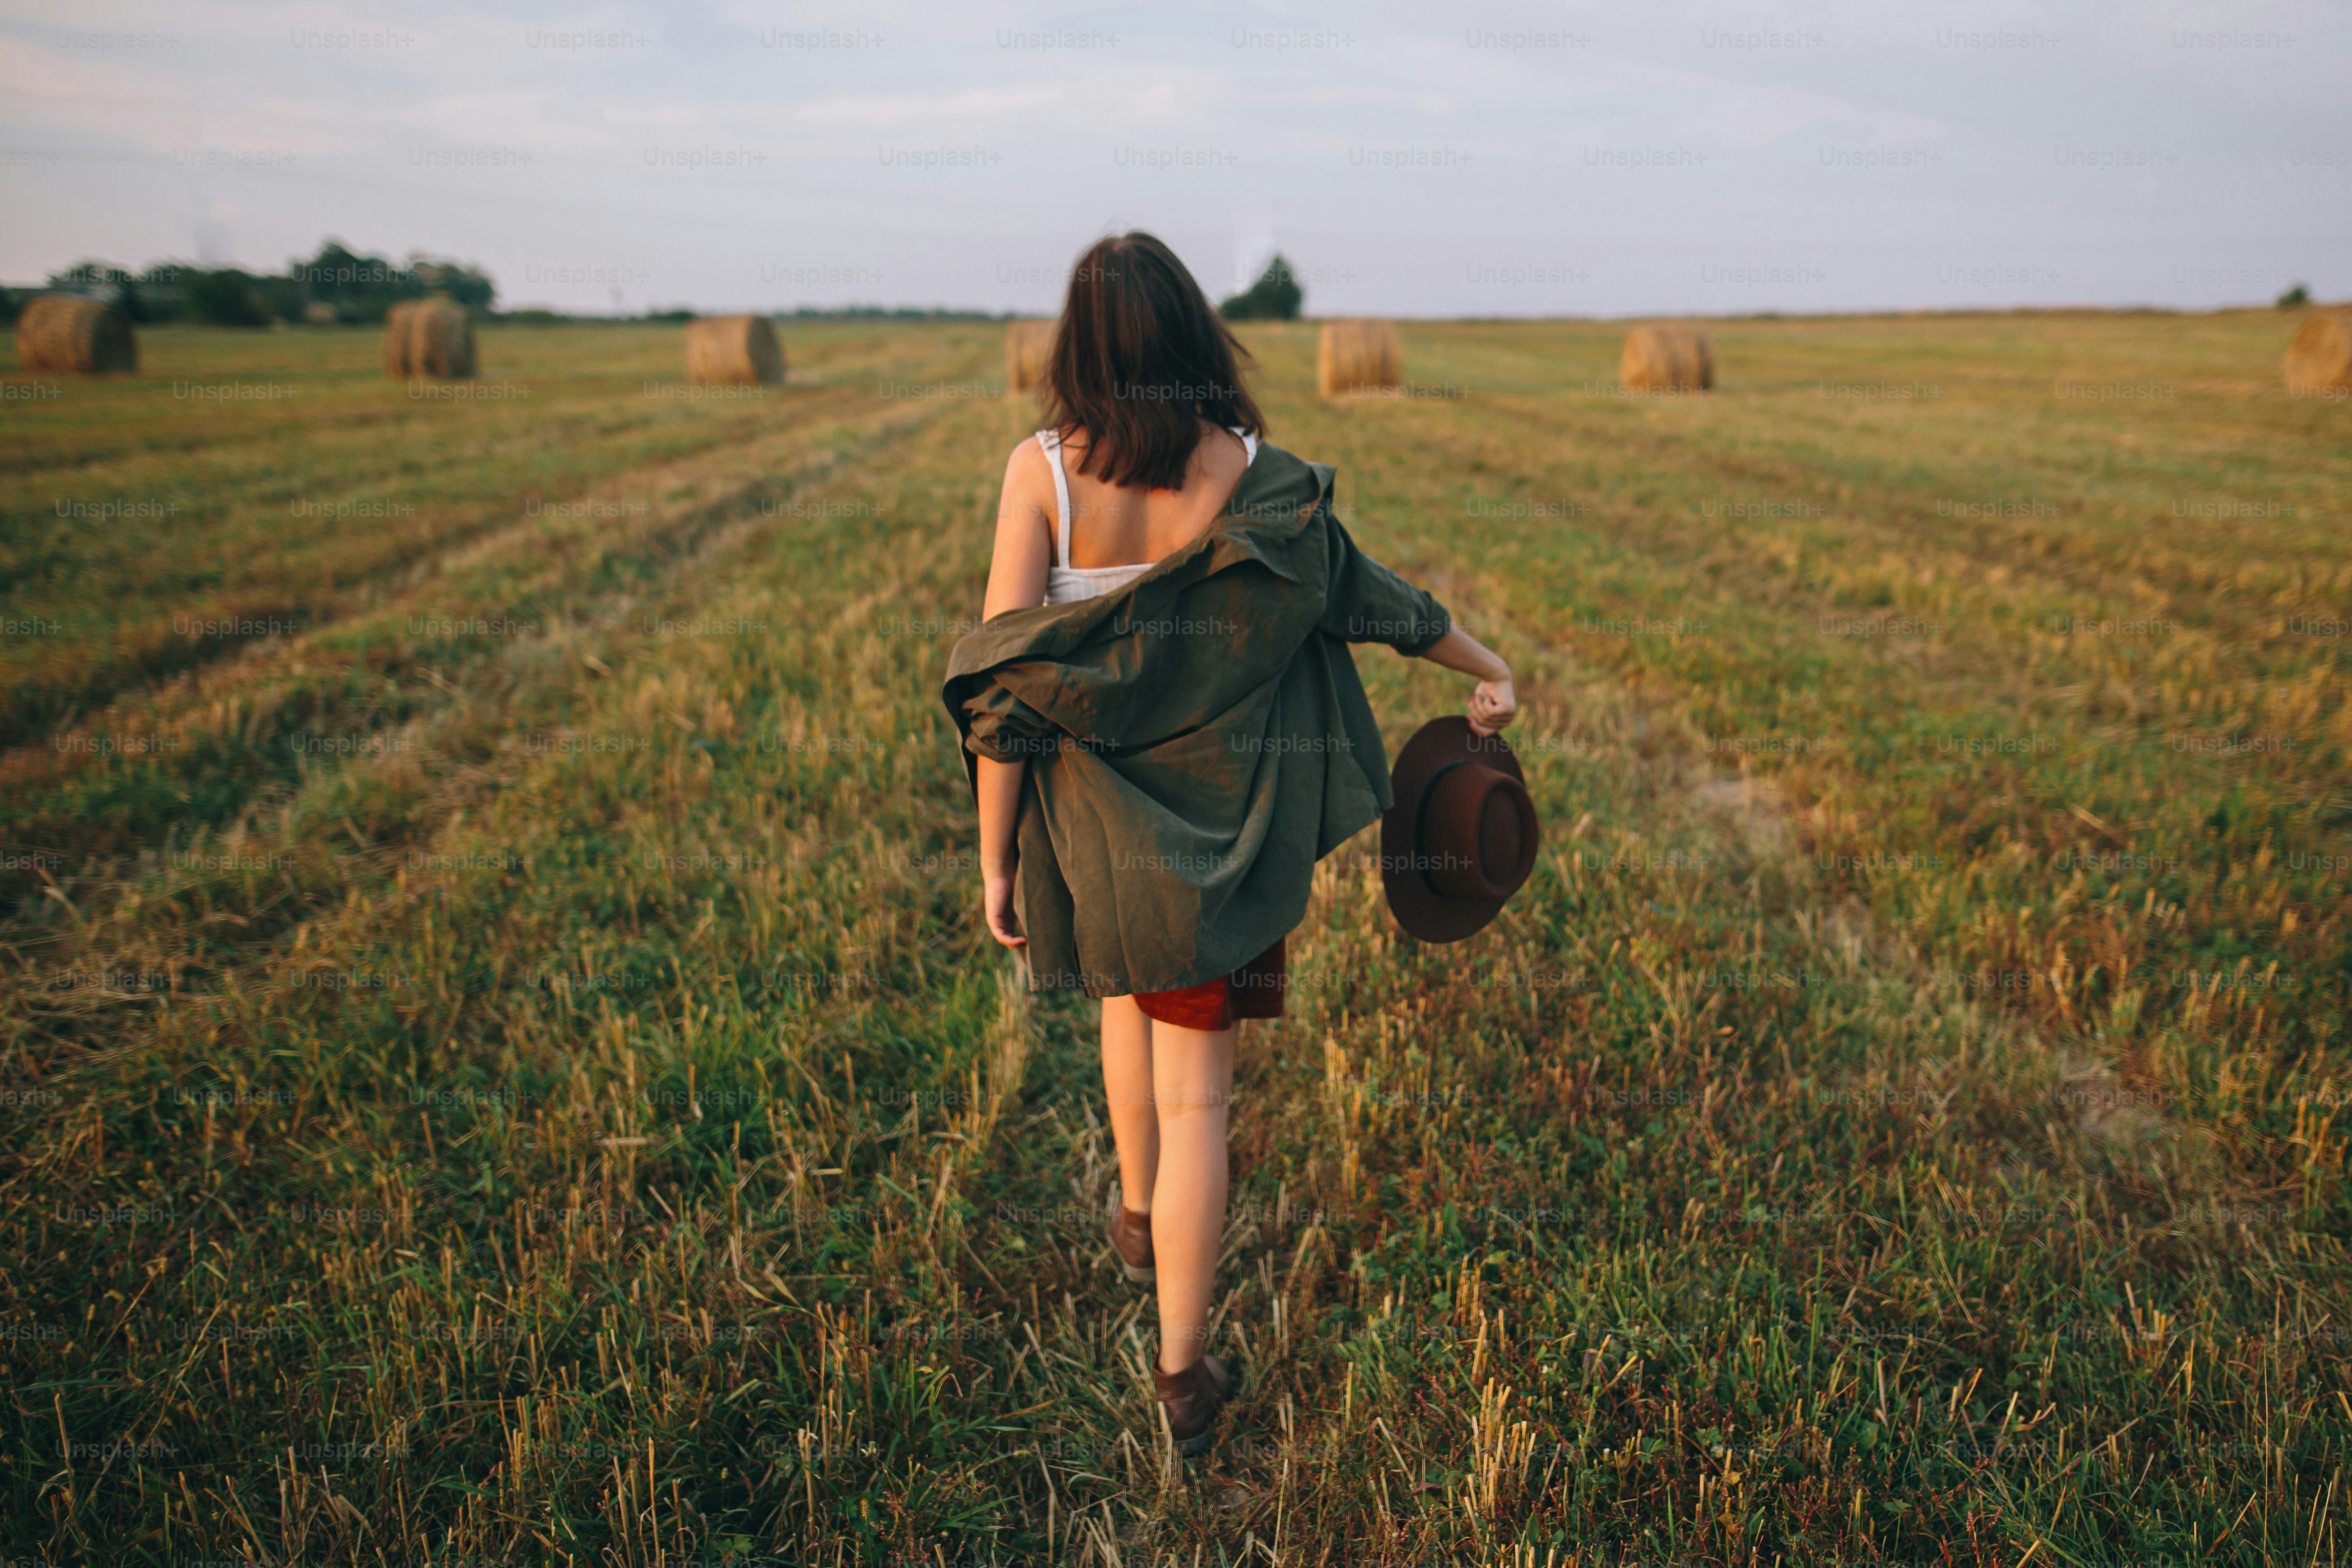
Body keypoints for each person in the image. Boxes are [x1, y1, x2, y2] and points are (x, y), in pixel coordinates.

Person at [942, 232, 1515, 1455]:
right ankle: (1182, 1369)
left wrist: (995, 859)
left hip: (1091, 842)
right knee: (1197, 1094)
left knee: (1121, 999)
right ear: (1195, 334)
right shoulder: (1262, 477)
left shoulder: (1039, 473)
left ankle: (1142, 1218)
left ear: (1079, 348)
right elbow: (1374, 599)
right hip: (1232, 841)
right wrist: (1486, 667)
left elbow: (1001, 695)